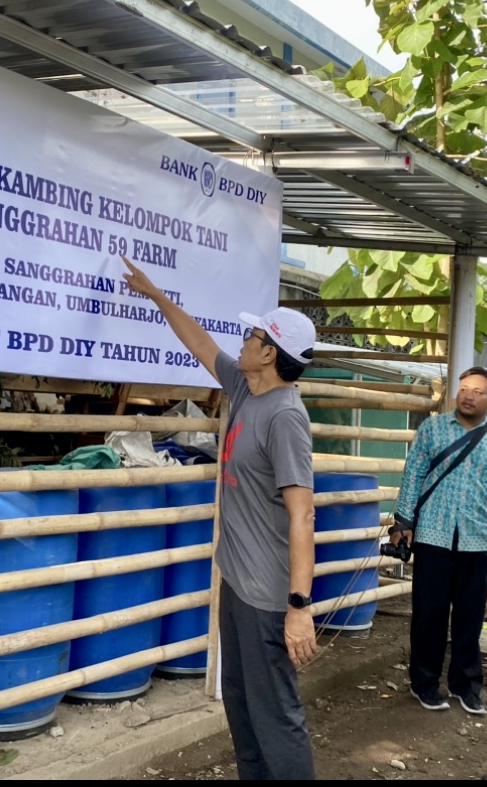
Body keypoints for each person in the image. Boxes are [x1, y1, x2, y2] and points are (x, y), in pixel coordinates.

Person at [121, 256, 318, 780]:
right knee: (241, 701)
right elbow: (201, 343)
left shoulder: (285, 416)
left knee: (275, 711)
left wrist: (299, 606)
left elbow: (303, 516)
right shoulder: (244, 388)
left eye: (253, 335)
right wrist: (157, 295)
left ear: (269, 353)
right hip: (238, 581)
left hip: (269, 594)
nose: (244, 340)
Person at [390, 366, 487, 715]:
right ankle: (424, 684)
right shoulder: (432, 428)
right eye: (464, 388)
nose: (468, 395)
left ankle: (466, 686)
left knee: (470, 618)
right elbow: (412, 475)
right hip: (433, 535)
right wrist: (403, 520)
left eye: (478, 390)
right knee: (429, 614)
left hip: (479, 536)